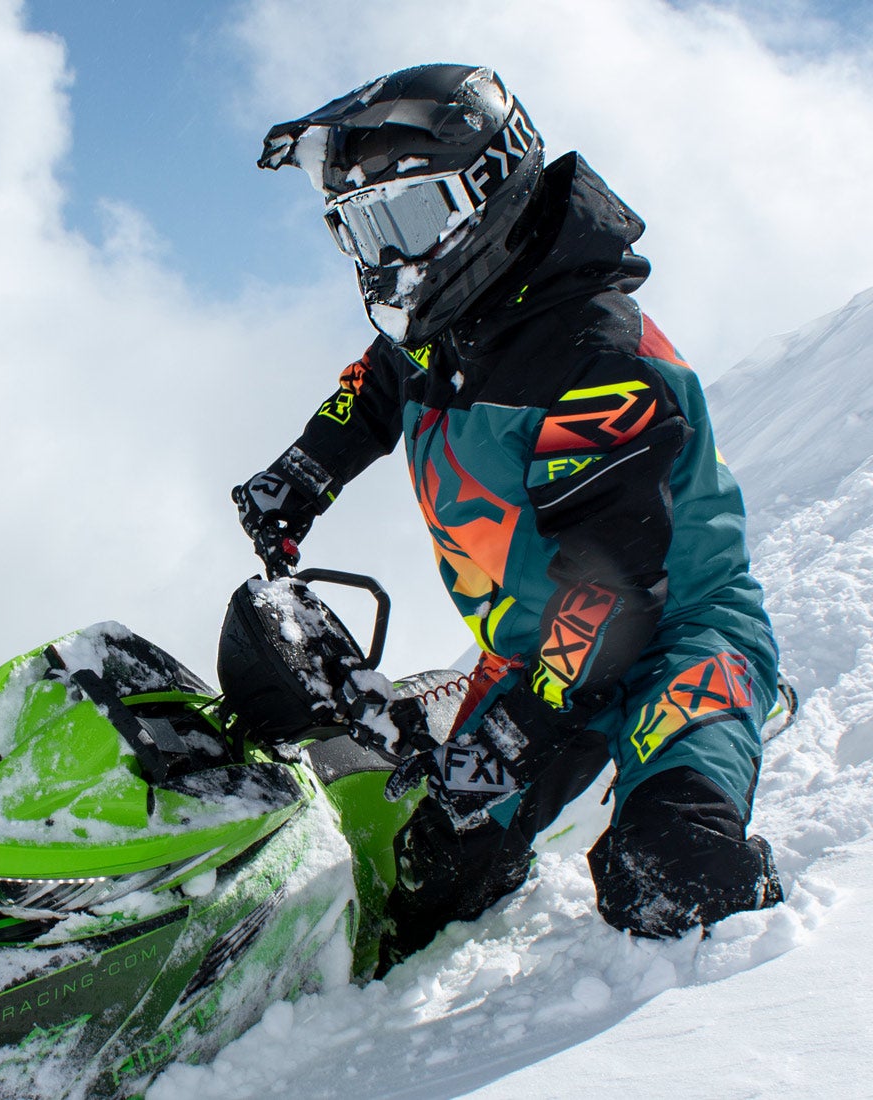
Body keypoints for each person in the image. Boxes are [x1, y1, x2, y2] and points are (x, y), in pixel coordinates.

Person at [232, 64, 784, 955]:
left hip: (672, 639)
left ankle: (769, 950)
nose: (387, 257)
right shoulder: (448, 323)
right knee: (428, 882)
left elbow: (612, 583)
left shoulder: (600, 363)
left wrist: (519, 729)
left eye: (406, 219)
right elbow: (378, 384)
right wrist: (303, 473)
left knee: (670, 879)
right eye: (364, 228)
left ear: (485, 190)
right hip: (536, 656)